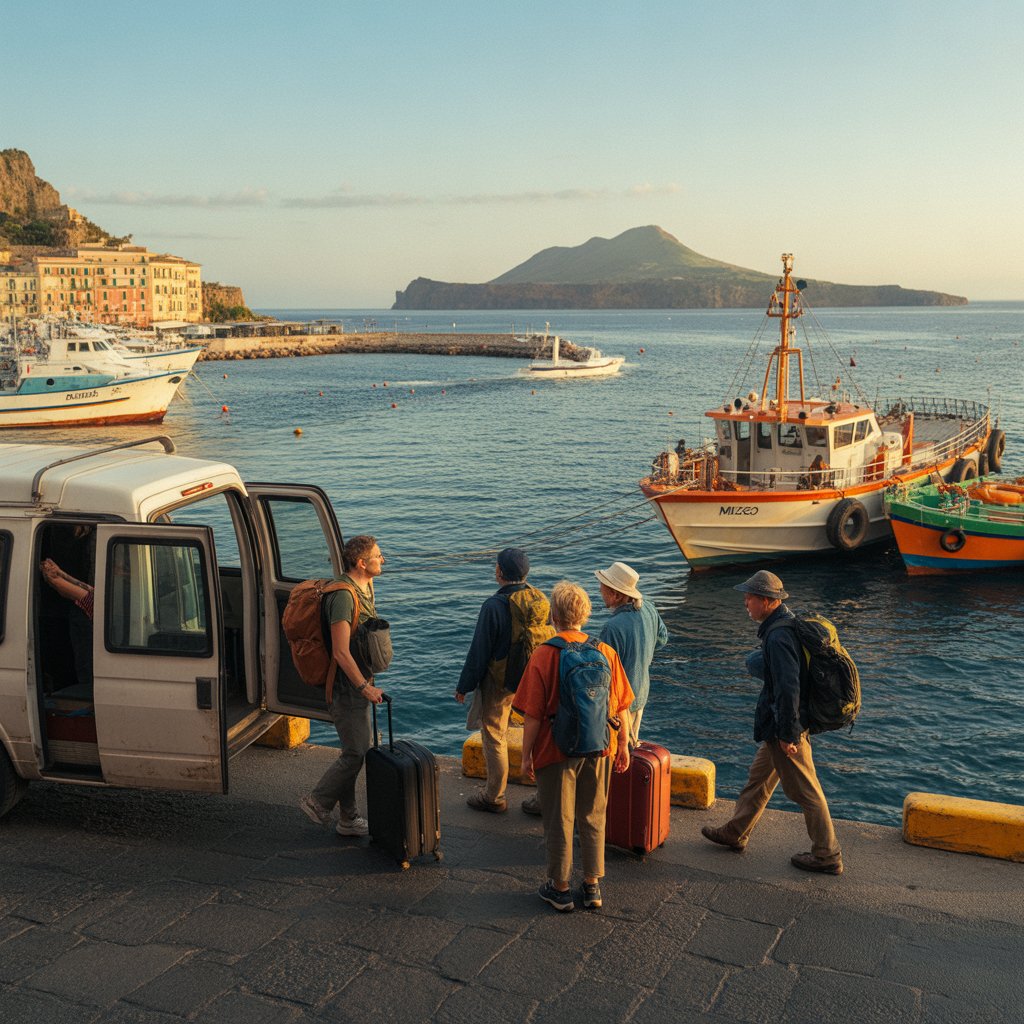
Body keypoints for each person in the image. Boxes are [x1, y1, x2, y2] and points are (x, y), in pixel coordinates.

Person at [700, 570, 843, 875]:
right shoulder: (783, 625)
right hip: (779, 725)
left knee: (806, 791)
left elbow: (788, 687)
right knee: (758, 780)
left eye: (749, 598)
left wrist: (788, 734)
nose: (745, 603)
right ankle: (735, 832)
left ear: (766, 601)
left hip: (786, 727)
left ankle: (827, 854)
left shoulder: (778, 636)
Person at [515, 581, 633, 912]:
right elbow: (620, 704)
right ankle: (592, 885)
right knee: (593, 814)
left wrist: (526, 756)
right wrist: (622, 744)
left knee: (559, 818)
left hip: (556, 749)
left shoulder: (543, 654)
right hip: (600, 746)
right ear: (586, 613)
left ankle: (561, 888)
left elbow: (533, 716)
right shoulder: (605, 651)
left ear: (554, 615)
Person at [300, 535, 386, 837]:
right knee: (357, 752)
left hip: (356, 683)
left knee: (355, 748)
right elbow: (340, 652)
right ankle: (318, 801)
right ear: (362, 563)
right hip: (346, 687)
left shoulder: (364, 588)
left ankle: (349, 818)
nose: (383, 560)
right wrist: (365, 687)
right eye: (377, 556)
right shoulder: (344, 598)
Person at [454, 547, 550, 813]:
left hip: (499, 682)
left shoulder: (493, 605)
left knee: (495, 736)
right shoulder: (540, 599)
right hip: (532, 678)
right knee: (540, 733)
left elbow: (479, 651)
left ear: (499, 572)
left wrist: (464, 686)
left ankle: (494, 796)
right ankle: (543, 798)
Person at [594, 561, 668, 745]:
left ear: (616, 594)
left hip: (621, 703)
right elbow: (662, 639)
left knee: (619, 751)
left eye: (603, 586)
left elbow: (604, 673)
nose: (599, 590)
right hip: (641, 692)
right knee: (632, 745)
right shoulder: (649, 608)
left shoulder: (612, 627)